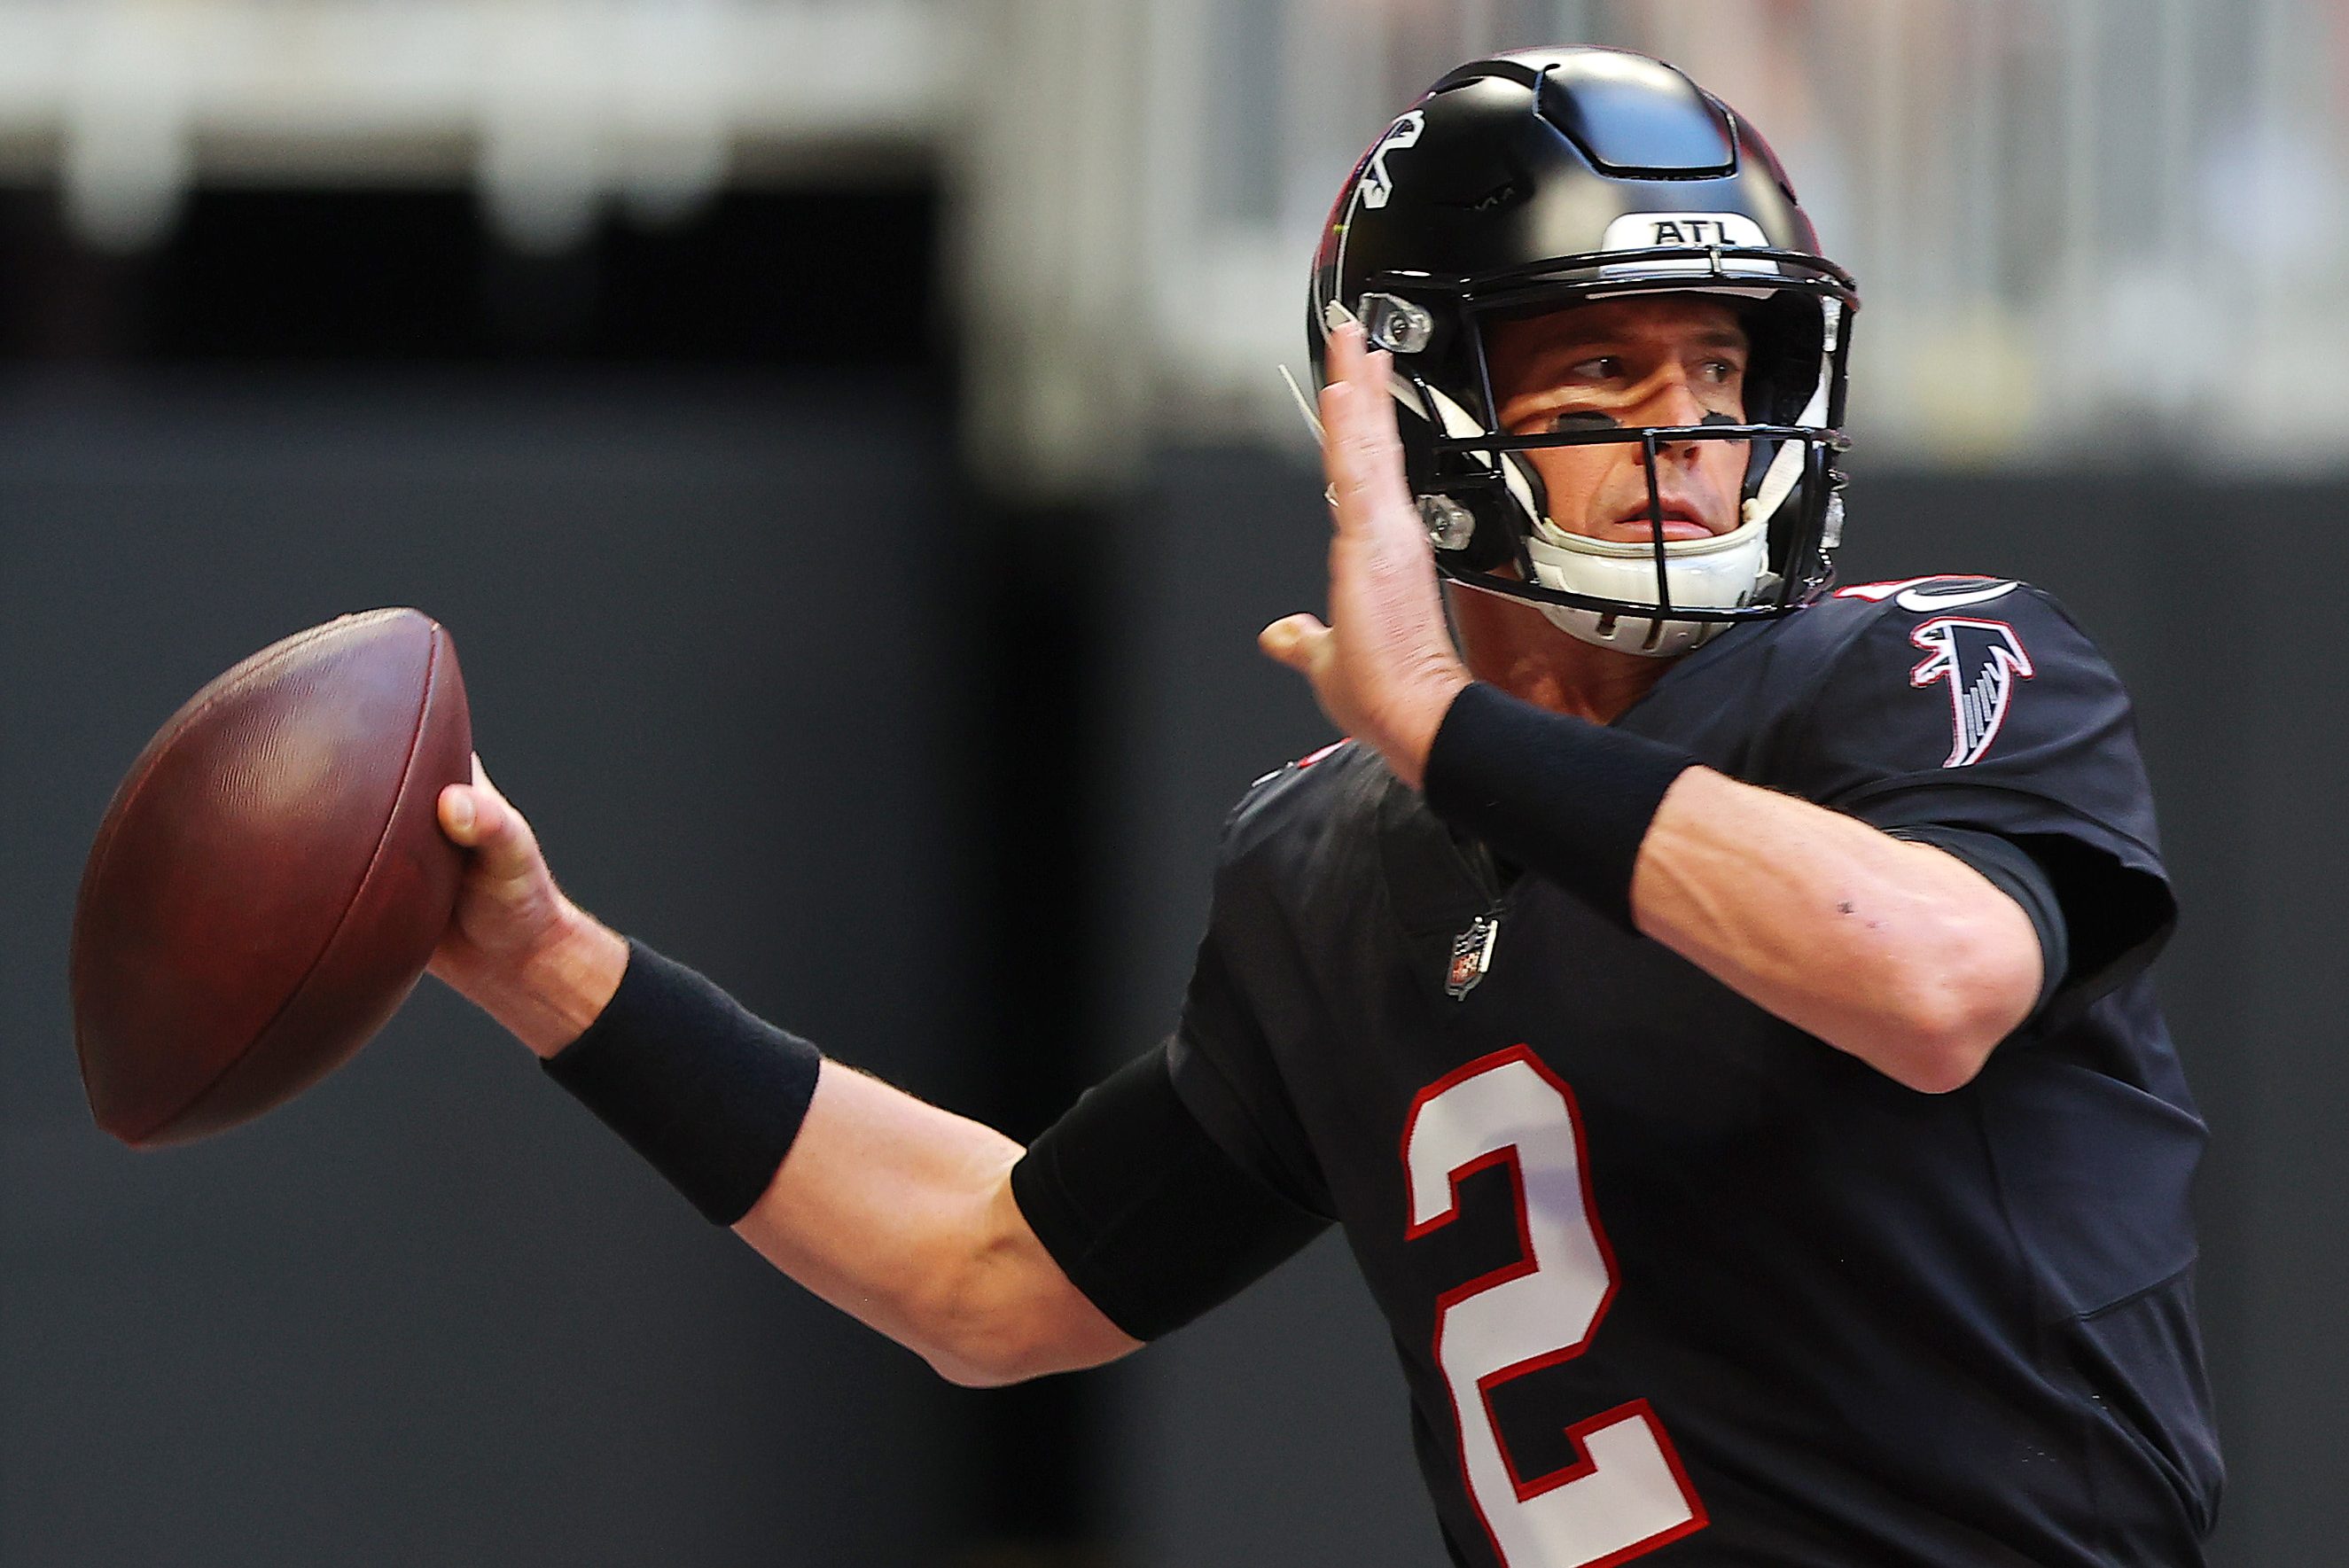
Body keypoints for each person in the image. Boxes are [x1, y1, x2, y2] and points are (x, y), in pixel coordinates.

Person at [426, 46, 2221, 1568]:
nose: (1688, 426)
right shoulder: (1329, 863)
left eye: (1723, 366)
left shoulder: (1924, 668)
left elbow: (1927, 977)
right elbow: (986, 1274)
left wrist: (1443, 725)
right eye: (1602, 368)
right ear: (1416, 413)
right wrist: (549, 971)